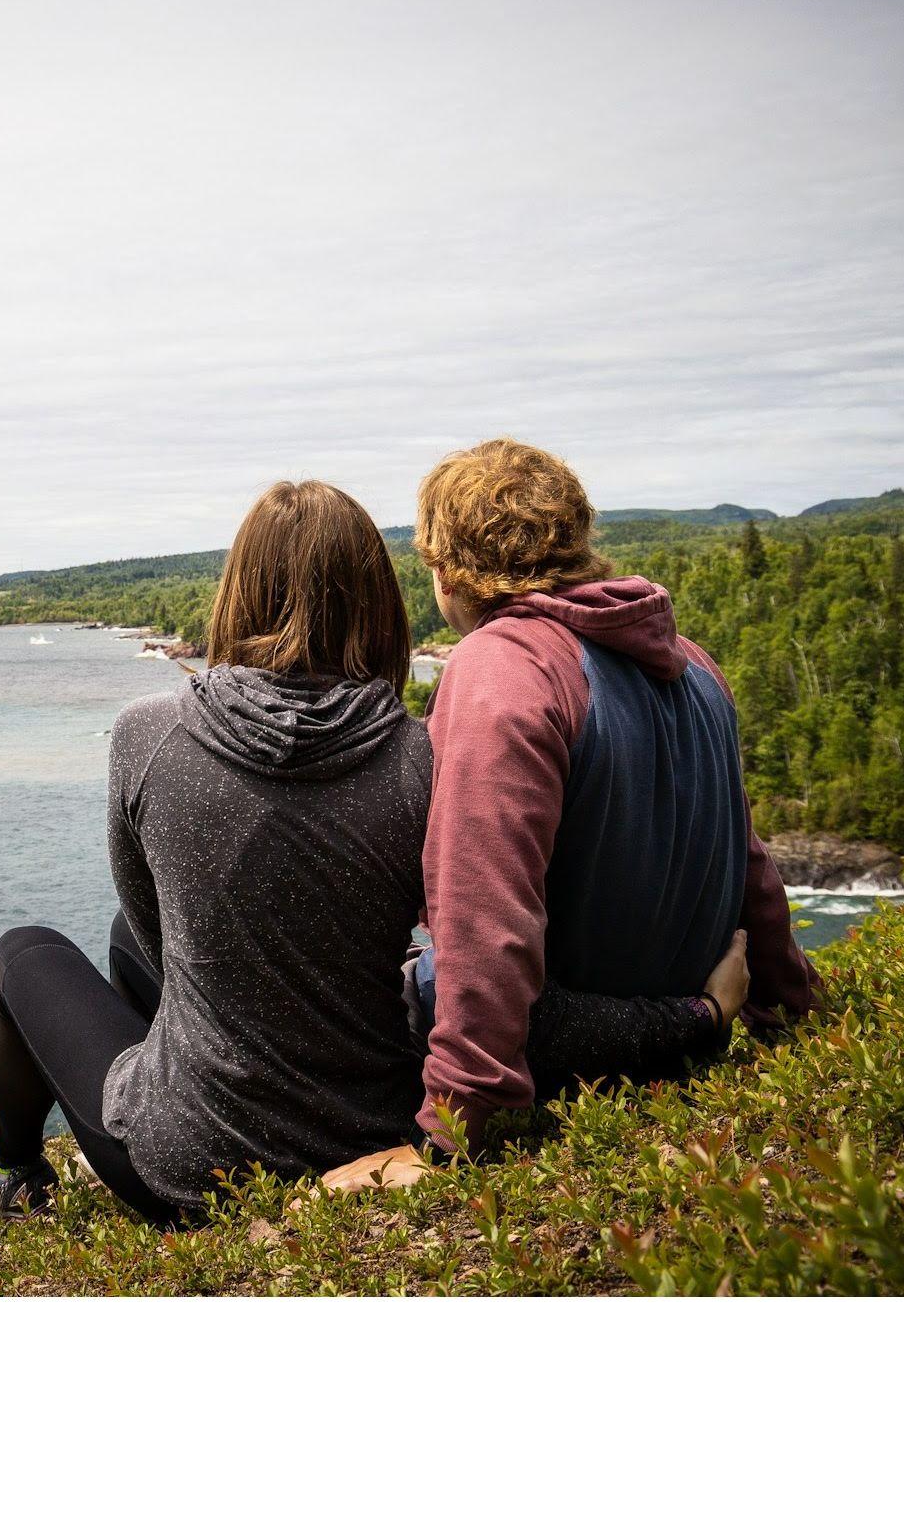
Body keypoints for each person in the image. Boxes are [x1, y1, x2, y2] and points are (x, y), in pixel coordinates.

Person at [0, 478, 748, 1222]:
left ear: (236, 591)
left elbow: (158, 927)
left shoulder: (147, 734)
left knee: (22, 954)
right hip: (374, 1127)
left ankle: (14, 1172)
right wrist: (695, 1013)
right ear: (378, 603)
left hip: (187, 1166)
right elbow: (483, 966)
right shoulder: (423, 758)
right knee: (129, 940)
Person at [327, 438, 819, 1193]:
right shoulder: (692, 663)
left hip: (572, 1054)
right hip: (680, 1036)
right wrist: (792, 1007)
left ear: (450, 569)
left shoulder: (502, 667)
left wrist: (454, 1135)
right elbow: (748, 863)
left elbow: (486, 915)